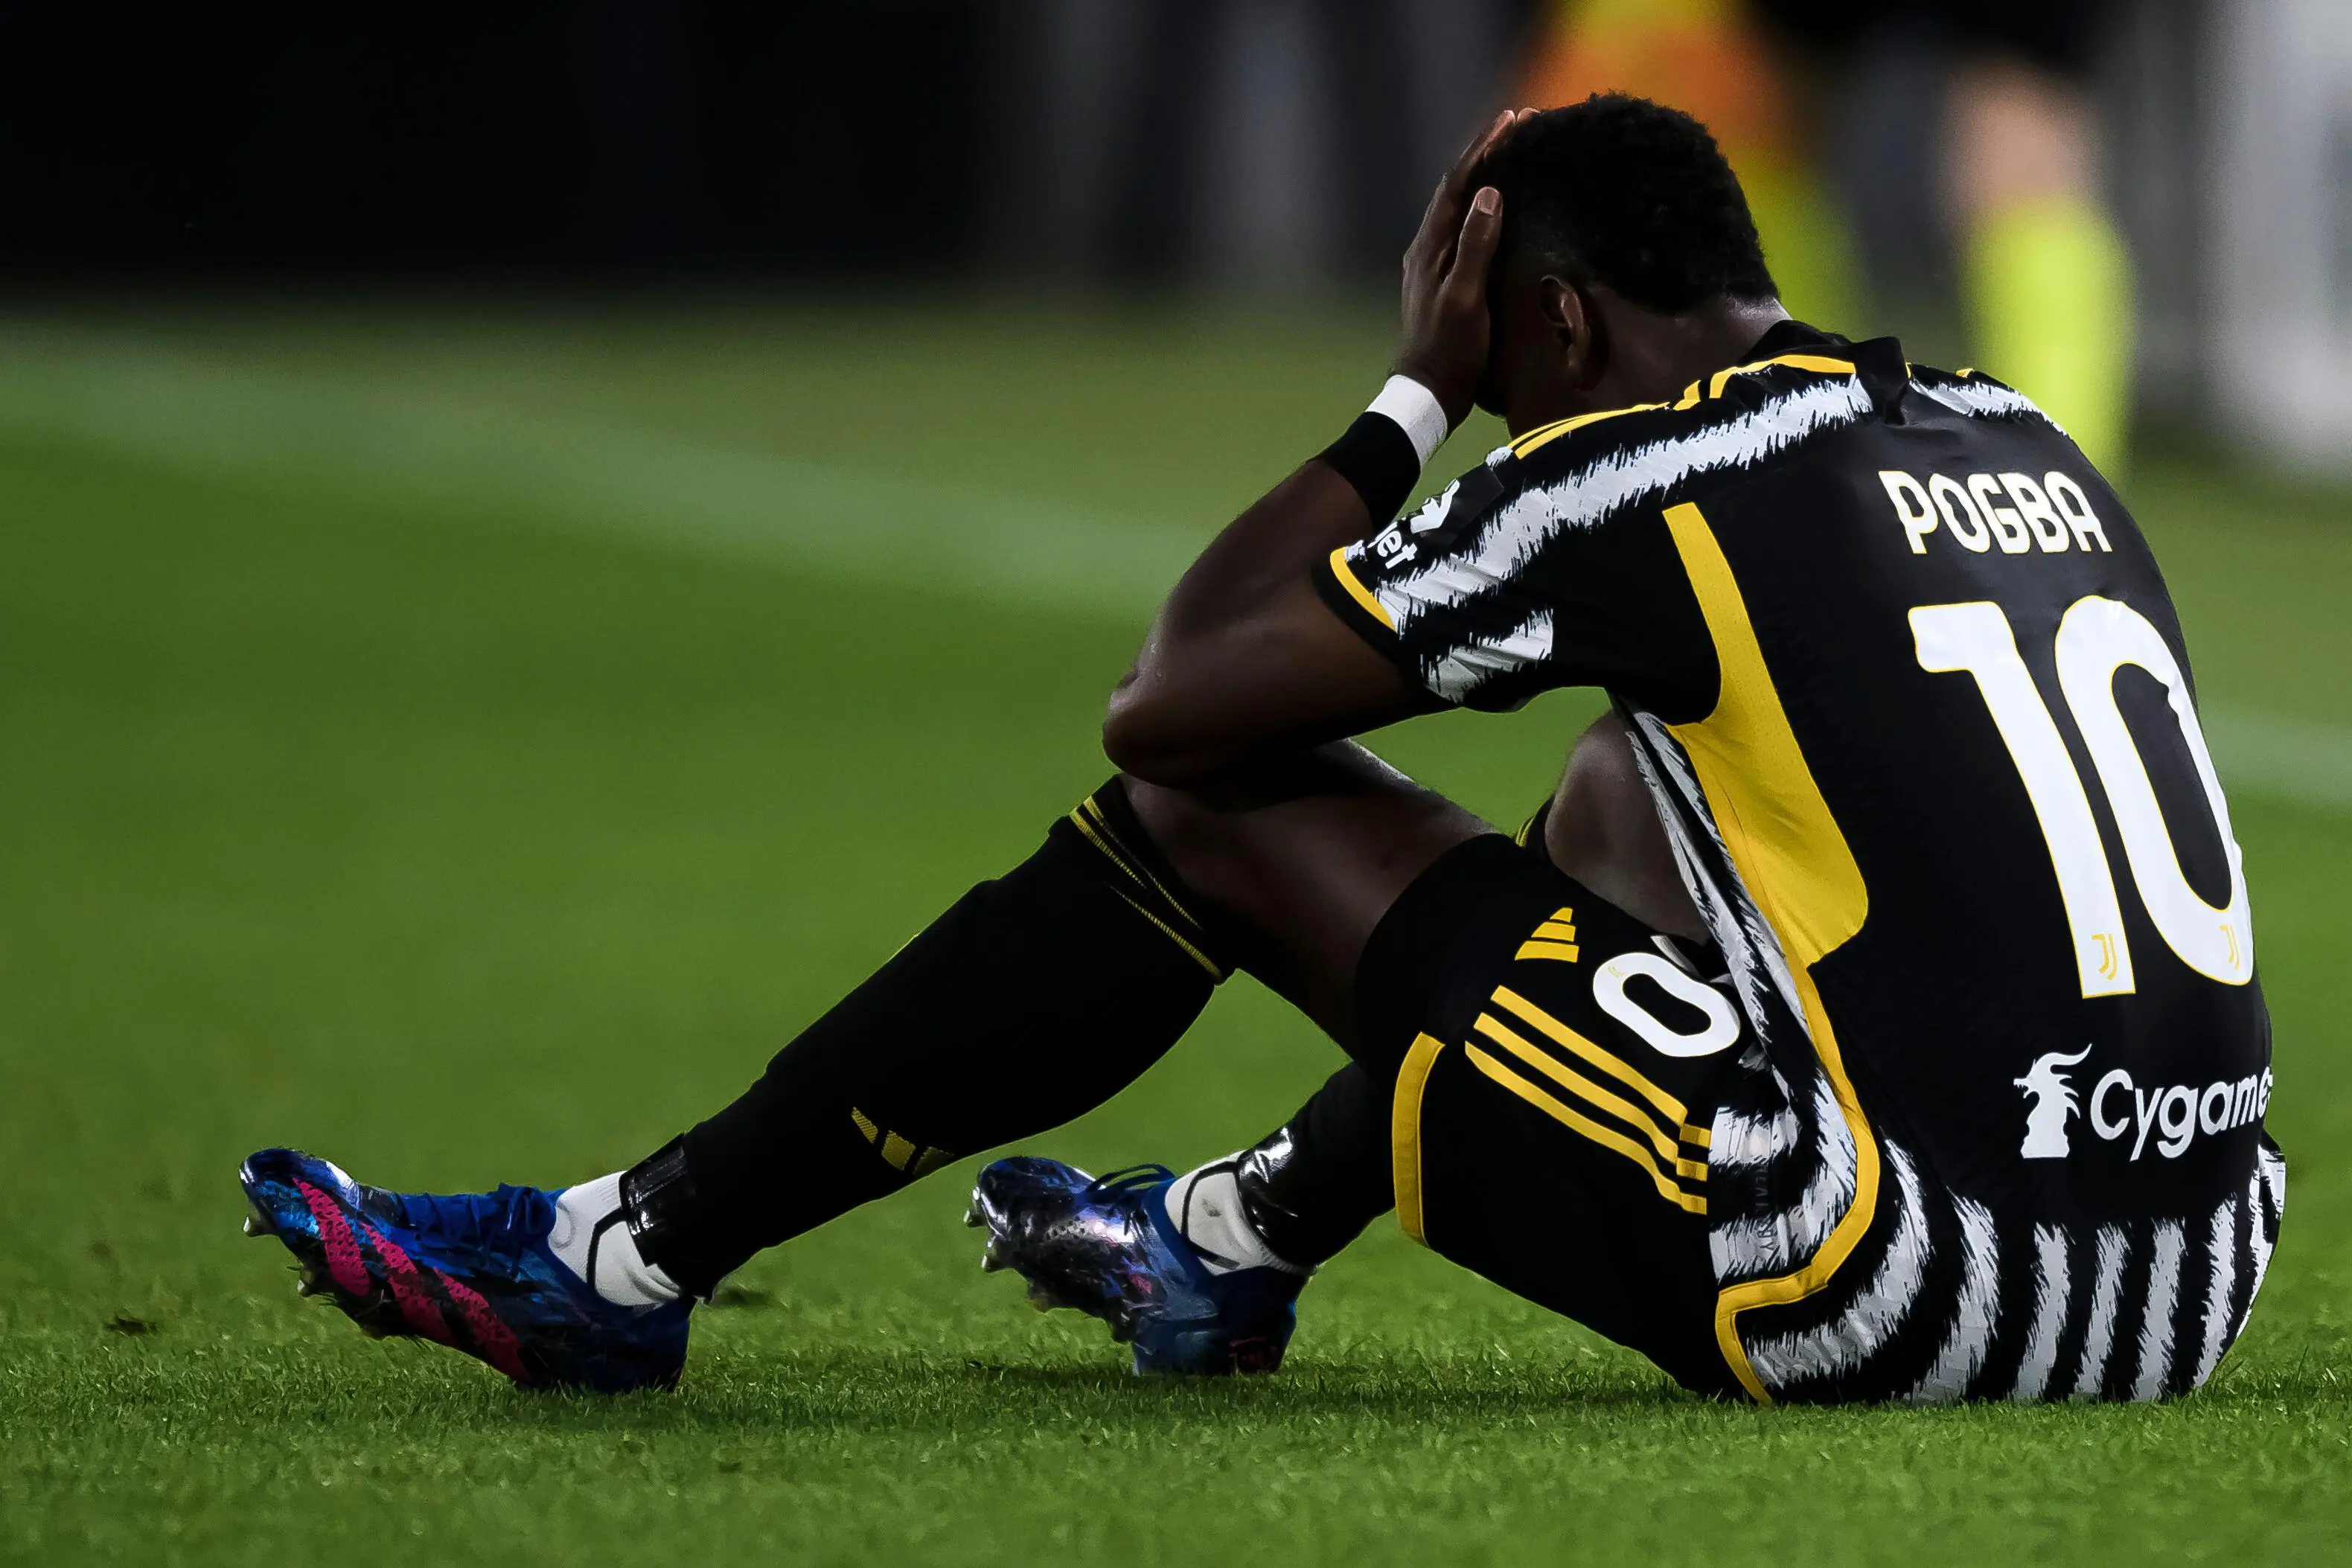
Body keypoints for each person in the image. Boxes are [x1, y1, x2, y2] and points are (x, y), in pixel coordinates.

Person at [239, 97, 2280, 1406]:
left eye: (1488, 330)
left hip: (1929, 1292)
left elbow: (1182, 697)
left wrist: (1405, 395)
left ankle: (627, 1256)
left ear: (1549, 325)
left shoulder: (1633, 471)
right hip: (2200, 1269)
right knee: (1607, 801)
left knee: (1201, 817)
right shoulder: (2017, 427)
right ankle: (1221, 1246)